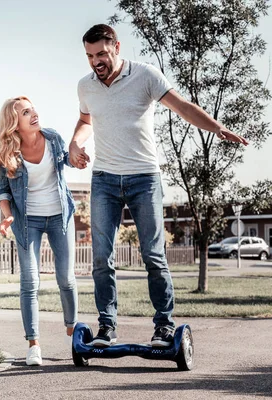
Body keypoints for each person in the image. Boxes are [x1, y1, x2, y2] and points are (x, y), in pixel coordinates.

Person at [69, 24, 248, 347]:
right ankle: (107, 327)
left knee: (153, 255)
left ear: (117, 47)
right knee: (100, 258)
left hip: (144, 178)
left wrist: (217, 128)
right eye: (90, 56)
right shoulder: (86, 86)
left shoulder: (146, 75)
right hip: (104, 179)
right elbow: (85, 121)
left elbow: (182, 106)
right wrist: (75, 144)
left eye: (102, 54)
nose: (96, 61)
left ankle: (164, 326)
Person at [0, 96, 78, 366]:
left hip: (60, 216)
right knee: (30, 282)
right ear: (15, 123)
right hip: (27, 221)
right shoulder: (9, 154)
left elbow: (69, 162)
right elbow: (3, 190)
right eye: (26, 112)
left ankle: (72, 332)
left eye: (33, 109)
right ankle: (34, 345)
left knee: (66, 278)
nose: (34, 114)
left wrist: (79, 156)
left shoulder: (53, 139)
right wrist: (6, 217)